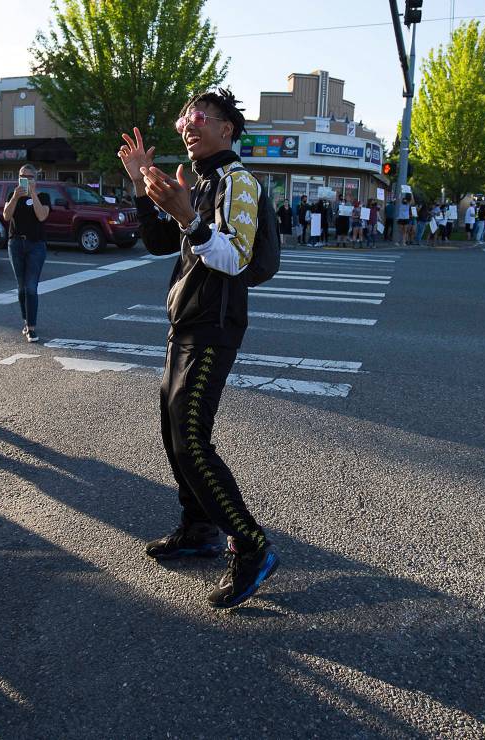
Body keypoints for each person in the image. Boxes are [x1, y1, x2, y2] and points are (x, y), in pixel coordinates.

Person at [118, 87, 280, 610]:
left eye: (201, 118)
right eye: (185, 119)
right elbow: (161, 245)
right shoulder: (204, 181)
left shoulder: (239, 182)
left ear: (227, 129)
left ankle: (250, 545)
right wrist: (147, 191)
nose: (189, 126)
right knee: (172, 432)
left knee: (191, 439)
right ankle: (199, 529)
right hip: (185, 322)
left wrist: (190, 216)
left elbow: (235, 258)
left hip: (215, 325)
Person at [3, 163, 50, 342]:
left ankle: (31, 328)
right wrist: (15, 197)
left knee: (31, 287)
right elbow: (6, 216)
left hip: (36, 245)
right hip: (15, 244)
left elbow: (42, 216)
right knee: (22, 288)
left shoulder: (43, 197)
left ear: (35, 180)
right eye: (23, 176)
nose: (26, 180)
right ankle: (25, 321)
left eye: (30, 177)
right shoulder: (12, 195)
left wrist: (33, 195)